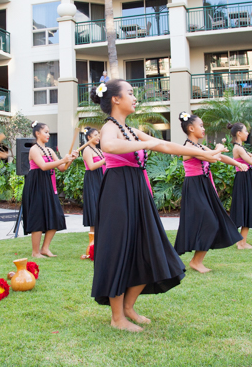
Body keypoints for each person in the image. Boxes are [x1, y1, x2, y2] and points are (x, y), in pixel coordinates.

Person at [90, 79, 221, 332]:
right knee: (119, 250)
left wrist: (206, 154)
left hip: (137, 192)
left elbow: (164, 145)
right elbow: (108, 146)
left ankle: (129, 308)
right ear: (115, 99)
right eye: (130, 93)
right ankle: (117, 318)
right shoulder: (110, 127)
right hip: (118, 193)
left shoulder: (128, 129)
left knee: (148, 247)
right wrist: (146, 143)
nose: (134, 97)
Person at [174, 112, 245, 273]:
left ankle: (196, 261)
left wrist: (237, 163)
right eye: (201, 125)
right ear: (191, 128)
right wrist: (218, 148)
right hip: (194, 186)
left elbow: (218, 157)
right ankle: (195, 261)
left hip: (204, 185)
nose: (203, 128)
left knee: (213, 222)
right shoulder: (188, 148)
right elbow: (212, 157)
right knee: (210, 222)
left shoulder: (199, 146)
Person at [22, 121, 76, 258]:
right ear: (37, 133)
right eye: (45, 132)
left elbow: (62, 168)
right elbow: (44, 166)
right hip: (36, 185)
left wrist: (70, 160)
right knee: (38, 217)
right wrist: (63, 159)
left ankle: (45, 248)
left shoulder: (50, 150)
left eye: (48, 132)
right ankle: (35, 252)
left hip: (48, 185)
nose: (48, 134)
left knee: (57, 215)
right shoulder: (34, 149)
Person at [228, 122, 252, 249]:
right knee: (247, 208)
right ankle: (241, 243)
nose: (247, 133)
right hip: (243, 179)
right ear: (239, 133)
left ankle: (242, 241)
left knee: (249, 208)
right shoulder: (238, 148)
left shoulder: (240, 147)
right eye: (245, 131)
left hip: (246, 179)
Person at [81, 126, 106, 234]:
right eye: (95, 135)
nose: (98, 137)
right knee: (94, 207)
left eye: (98, 135)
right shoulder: (87, 150)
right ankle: (93, 241)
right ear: (89, 137)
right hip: (92, 178)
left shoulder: (99, 150)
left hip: (102, 177)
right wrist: (105, 159)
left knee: (103, 205)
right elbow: (91, 166)